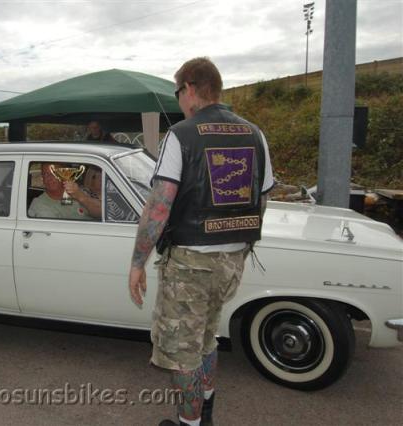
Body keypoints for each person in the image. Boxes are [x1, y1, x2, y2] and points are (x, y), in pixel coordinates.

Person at [128, 57, 274, 426]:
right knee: (207, 338)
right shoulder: (255, 134)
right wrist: (238, 245)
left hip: (190, 265)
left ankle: (190, 423)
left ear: (190, 88)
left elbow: (159, 206)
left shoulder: (182, 135)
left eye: (178, 92)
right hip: (231, 263)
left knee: (181, 354)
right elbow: (262, 200)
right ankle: (205, 411)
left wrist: (137, 262)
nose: (178, 100)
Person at [28, 163, 98, 220]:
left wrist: (81, 197)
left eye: (54, 173)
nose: (49, 178)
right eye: (45, 174)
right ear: (42, 178)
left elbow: (100, 214)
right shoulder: (39, 204)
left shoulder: (78, 193)